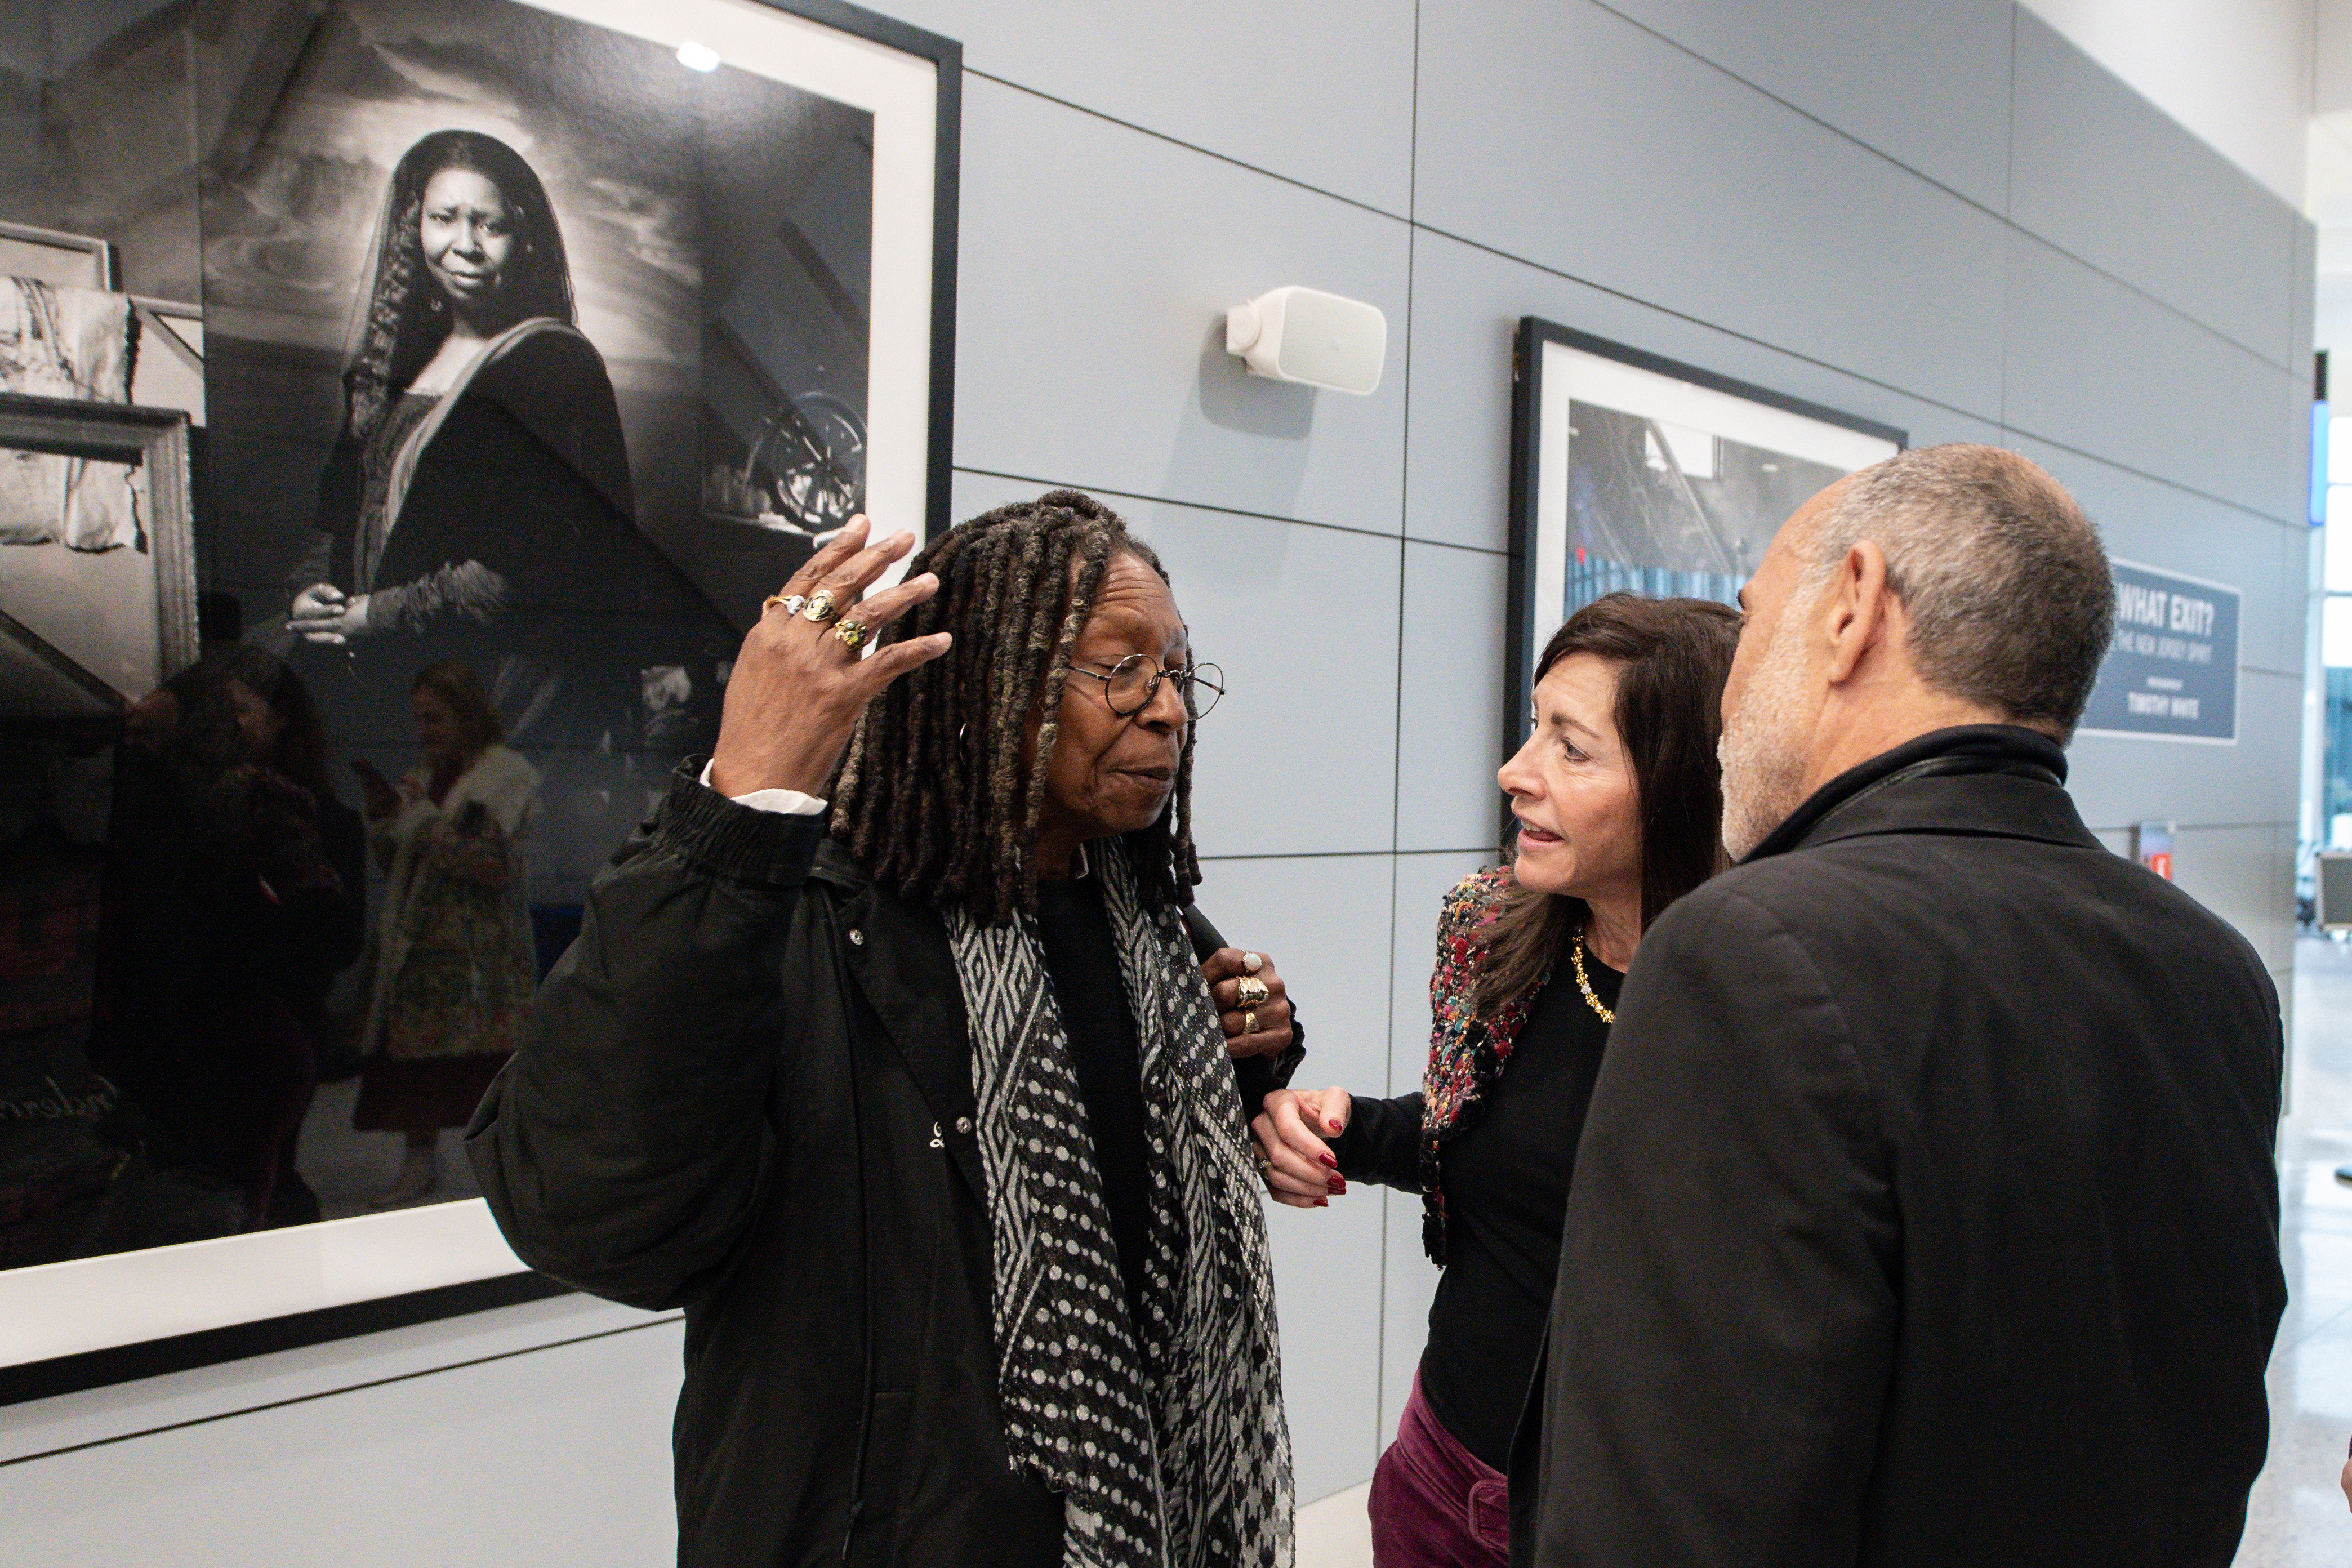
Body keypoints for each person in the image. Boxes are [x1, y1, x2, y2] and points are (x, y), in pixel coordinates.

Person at [468, 495, 1300, 1566]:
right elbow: (590, 1211)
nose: (1167, 710)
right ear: (983, 683)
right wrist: (741, 806)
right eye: (1118, 668)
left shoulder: (1148, 919)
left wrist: (1258, 1053)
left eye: (1178, 672)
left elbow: (1131, 1176)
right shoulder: (806, 914)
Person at [1516, 445, 2287, 1567]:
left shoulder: (1749, 956)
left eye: (1755, 618)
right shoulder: (2214, 971)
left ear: (1850, 611)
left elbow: (1667, 1516)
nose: (1731, 688)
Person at [1251, 594, 1735, 1566]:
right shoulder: (1493, 929)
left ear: (1682, 781)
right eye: (1532, 729)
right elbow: (1480, 1142)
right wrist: (1338, 1125)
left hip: (1643, 1519)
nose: (1514, 772)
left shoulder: (1765, 1004)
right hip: (1444, 1474)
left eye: (1572, 746)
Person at [284, 130, 725, 831]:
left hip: (498, 694)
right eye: (444, 219)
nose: (466, 243)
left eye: (491, 224)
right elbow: (342, 510)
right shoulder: (403, 359)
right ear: (414, 226)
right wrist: (314, 591)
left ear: (524, 241)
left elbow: (519, 575)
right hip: (390, 680)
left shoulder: (551, 366)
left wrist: (367, 615)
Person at [87, 647, 365, 1239]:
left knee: (229, 1201)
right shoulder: (183, 797)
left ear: (280, 716)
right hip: (219, 1046)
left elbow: (333, 935)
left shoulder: (273, 805)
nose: (226, 725)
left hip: (247, 1043)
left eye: (238, 710)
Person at [351, 661, 538, 1208]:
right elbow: (407, 865)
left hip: (483, 955)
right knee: (417, 1069)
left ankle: (514, 1174)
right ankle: (421, 1164)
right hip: (421, 946)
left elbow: (491, 866)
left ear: (466, 713)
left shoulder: (504, 775)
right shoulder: (429, 771)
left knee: (490, 1068)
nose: (425, 731)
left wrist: (421, 822)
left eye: (434, 718)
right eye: (419, 720)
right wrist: (388, 821)